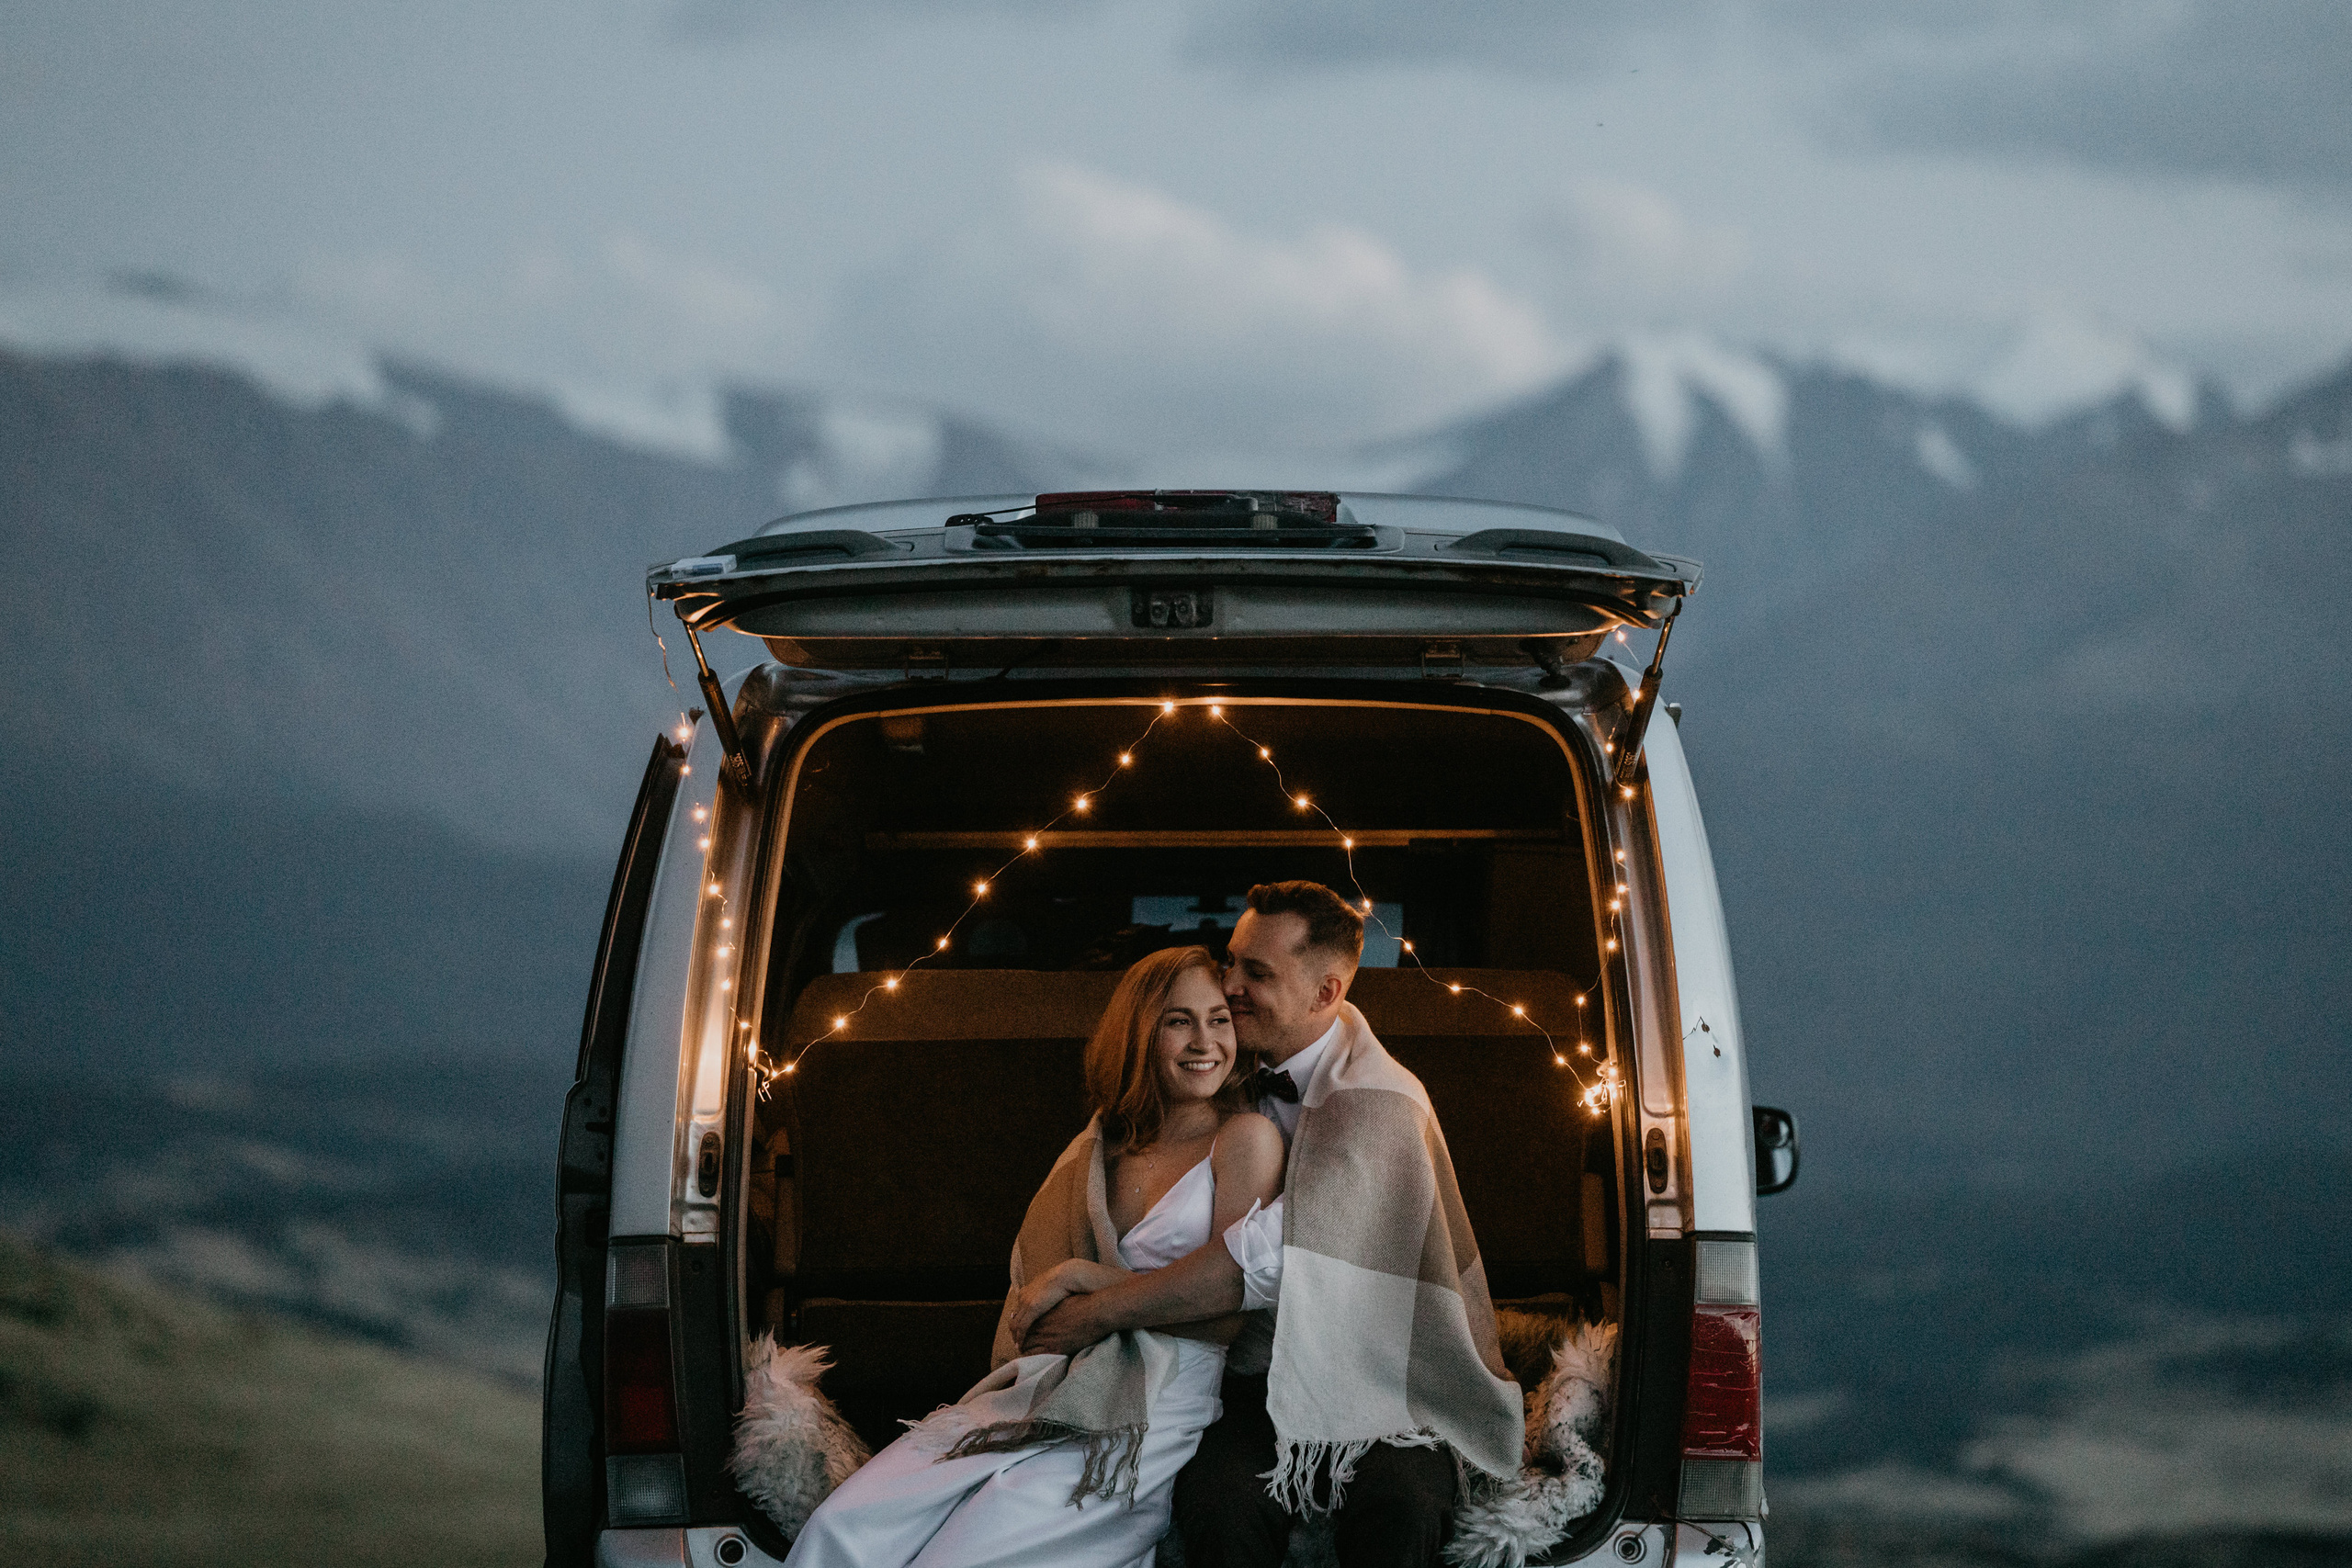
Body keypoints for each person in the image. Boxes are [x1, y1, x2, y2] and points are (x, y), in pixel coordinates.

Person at [1022, 882, 1523, 1568]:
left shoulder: (1381, 1100)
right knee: (1220, 1508)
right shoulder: (1215, 1065)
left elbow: (1260, 1262)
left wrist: (1095, 1309)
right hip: (1251, 1378)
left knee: (1399, 1508)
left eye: (1255, 973)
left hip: (1387, 1385)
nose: (1227, 987)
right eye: (1230, 962)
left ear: (1326, 993)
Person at [786, 944, 1285, 1568]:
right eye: (1178, 1019)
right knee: (845, 1524)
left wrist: (1084, 1282)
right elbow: (1039, 1315)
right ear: (1139, 1032)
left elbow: (1227, 1308)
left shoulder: (1246, 1139)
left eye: (1219, 1018)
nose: (1205, 1040)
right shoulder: (1100, 1148)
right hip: (1052, 1385)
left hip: (1149, 1409)